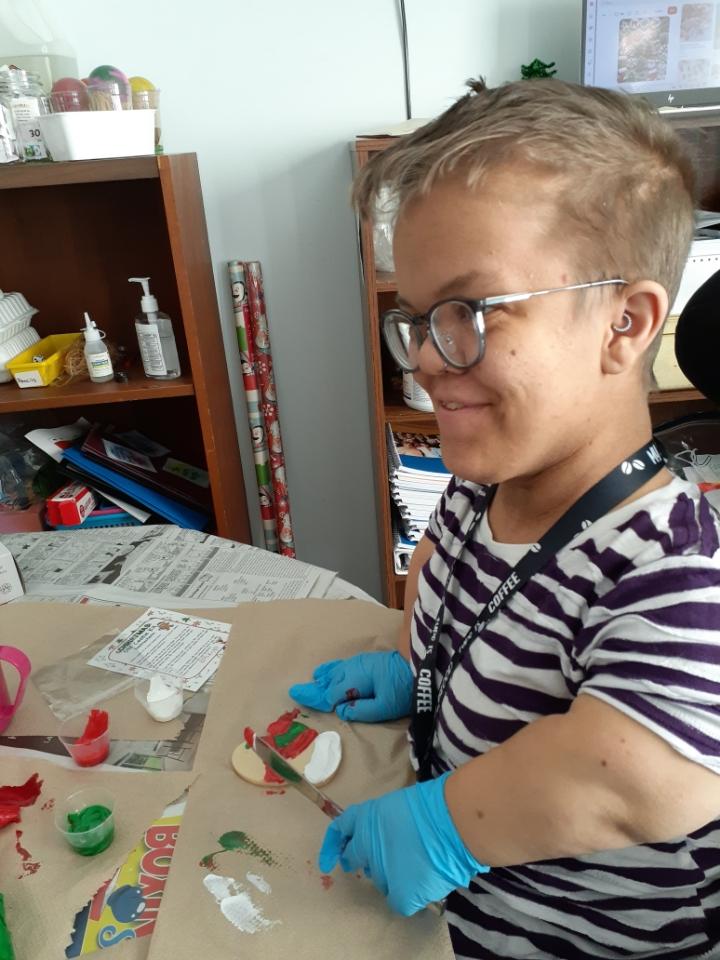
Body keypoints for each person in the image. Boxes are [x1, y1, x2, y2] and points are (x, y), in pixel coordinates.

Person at [289, 78, 720, 960]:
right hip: (451, 920)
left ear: (624, 324)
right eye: (416, 319)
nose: (426, 359)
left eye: (470, 312)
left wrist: (445, 826)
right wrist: (419, 674)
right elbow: (451, 607)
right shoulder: (478, 493)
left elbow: (640, 779)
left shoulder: (675, 570)